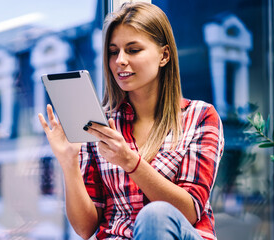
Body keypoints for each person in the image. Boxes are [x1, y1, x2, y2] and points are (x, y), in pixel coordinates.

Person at [38, 2, 224, 240]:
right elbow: (85, 229)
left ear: (164, 55)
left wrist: (129, 161)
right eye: (114, 52)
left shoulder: (200, 116)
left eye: (133, 50)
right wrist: (69, 163)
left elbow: (189, 211)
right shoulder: (101, 125)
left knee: (155, 216)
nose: (120, 61)